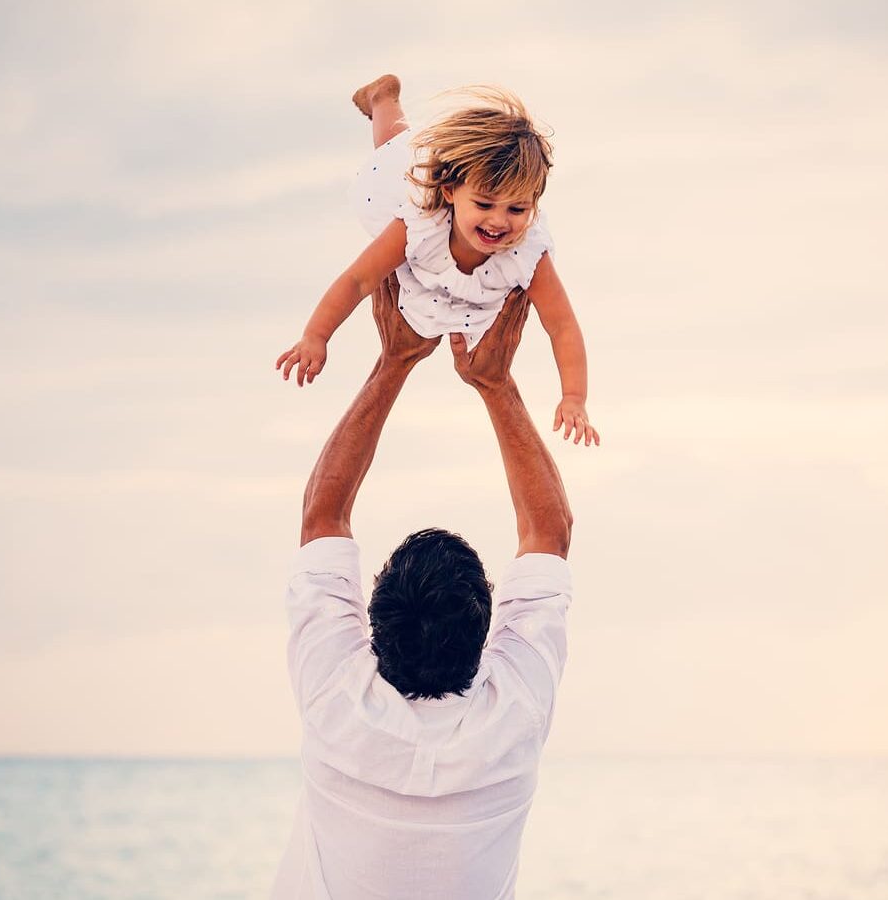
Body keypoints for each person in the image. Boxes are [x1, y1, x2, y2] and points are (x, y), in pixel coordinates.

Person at [270, 279, 574, 898]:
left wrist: (395, 359)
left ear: (371, 630)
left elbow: (321, 517)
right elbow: (550, 531)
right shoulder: (513, 715)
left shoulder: (336, 701)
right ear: (487, 634)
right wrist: (496, 383)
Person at [276, 74, 600, 447]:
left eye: (517, 208)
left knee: (404, 156)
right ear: (450, 192)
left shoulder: (528, 252)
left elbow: (561, 325)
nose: (499, 220)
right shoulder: (418, 225)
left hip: (450, 278)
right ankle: (383, 98)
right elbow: (358, 281)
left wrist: (574, 397)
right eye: (483, 204)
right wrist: (316, 336)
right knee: (394, 154)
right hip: (407, 194)